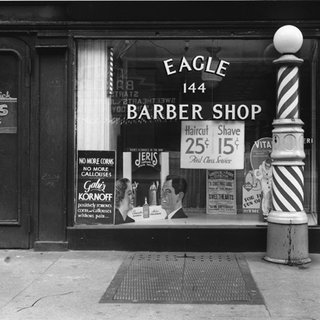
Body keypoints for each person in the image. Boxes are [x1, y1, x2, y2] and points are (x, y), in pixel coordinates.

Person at [254, 157, 273, 221]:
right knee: (266, 198)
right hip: (264, 183)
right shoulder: (261, 167)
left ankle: (272, 211)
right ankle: (265, 213)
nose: (267, 167)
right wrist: (256, 181)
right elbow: (259, 175)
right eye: (266, 166)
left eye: (269, 166)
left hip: (272, 182)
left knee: (273, 198)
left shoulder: (273, 167)